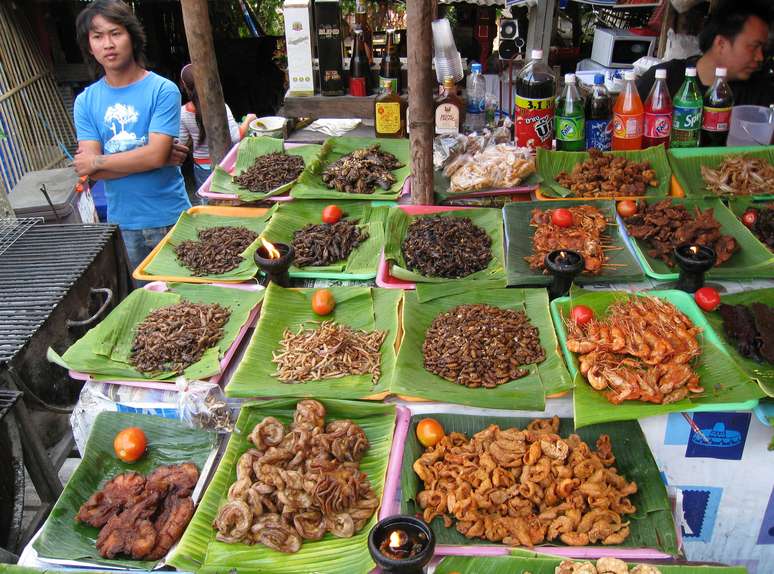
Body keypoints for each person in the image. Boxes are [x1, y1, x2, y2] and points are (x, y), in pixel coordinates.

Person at [72, 0, 191, 276]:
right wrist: (149, 156)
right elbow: (92, 172)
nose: (108, 44)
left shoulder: (162, 90)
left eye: (116, 33)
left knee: (187, 300)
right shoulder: (86, 101)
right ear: (89, 45)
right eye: (97, 36)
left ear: (132, 37)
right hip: (124, 224)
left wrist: (102, 162)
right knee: (151, 311)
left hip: (170, 218)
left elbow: (154, 155)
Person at [637, 0, 773, 106]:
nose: (760, 57)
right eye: (753, 47)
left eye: (763, 49)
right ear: (721, 44)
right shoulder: (662, 80)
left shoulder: (759, 95)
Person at [178, 63, 255, 190]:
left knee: (208, 200)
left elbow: (182, 142)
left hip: (202, 166)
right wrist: (248, 120)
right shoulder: (220, 106)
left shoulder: (182, 112)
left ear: (184, 86)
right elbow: (236, 137)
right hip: (225, 162)